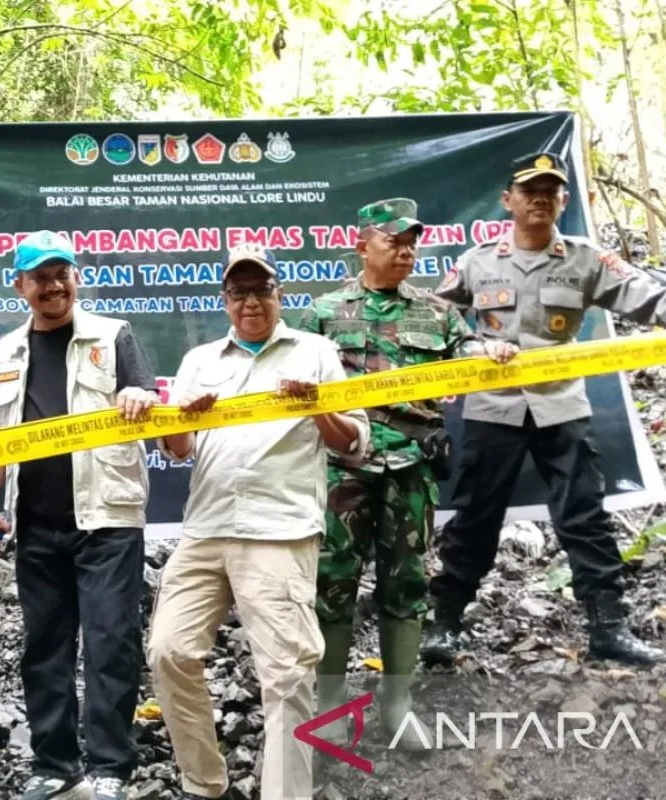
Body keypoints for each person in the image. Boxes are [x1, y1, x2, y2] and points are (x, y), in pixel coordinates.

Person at [146, 244, 369, 800]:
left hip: (279, 531)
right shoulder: (200, 360)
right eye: (239, 292)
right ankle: (206, 785)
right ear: (225, 300)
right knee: (169, 652)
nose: (251, 302)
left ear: (279, 295)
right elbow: (178, 448)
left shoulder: (315, 351)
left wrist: (316, 407)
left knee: (287, 676)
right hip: (206, 528)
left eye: (261, 290)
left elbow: (354, 442)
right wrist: (180, 420)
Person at [425, 152, 666, 666]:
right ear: (507, 200)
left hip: (561, 406)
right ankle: (445, 625)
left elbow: (647, 296)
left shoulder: (586, 259)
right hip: (493, 408)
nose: (539, 198)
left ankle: (609, 628)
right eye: (529, 190)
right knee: (474, 518)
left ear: (564, 200)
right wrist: (470, 346)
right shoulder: (476, 262)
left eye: (550, 191)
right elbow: (436, 319)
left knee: (585, 517)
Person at [299, 199, 517, 747]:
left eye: (411, 242)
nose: (406, 251)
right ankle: (330, 702)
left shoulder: (436, 312)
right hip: (342, 468)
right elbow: (293, 379)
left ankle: (397, 703)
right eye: (393, 241)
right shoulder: (323, 312)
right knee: (332, 582)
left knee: (407, 584)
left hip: (412, 466)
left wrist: (488, 349)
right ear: (362, 246)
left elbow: (469, 349)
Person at [0, 231, 159, 800]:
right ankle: (54, 765)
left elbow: (149, 397)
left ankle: (110, 767)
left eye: (62, 274)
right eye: (40, 277)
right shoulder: (3, 353)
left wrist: (141, 398)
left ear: (76, 277)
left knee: (111, 644)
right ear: (20, 285)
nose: (53, 286)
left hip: (108, 520)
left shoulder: (113, 335)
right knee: (44, 650)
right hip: (35, 524)